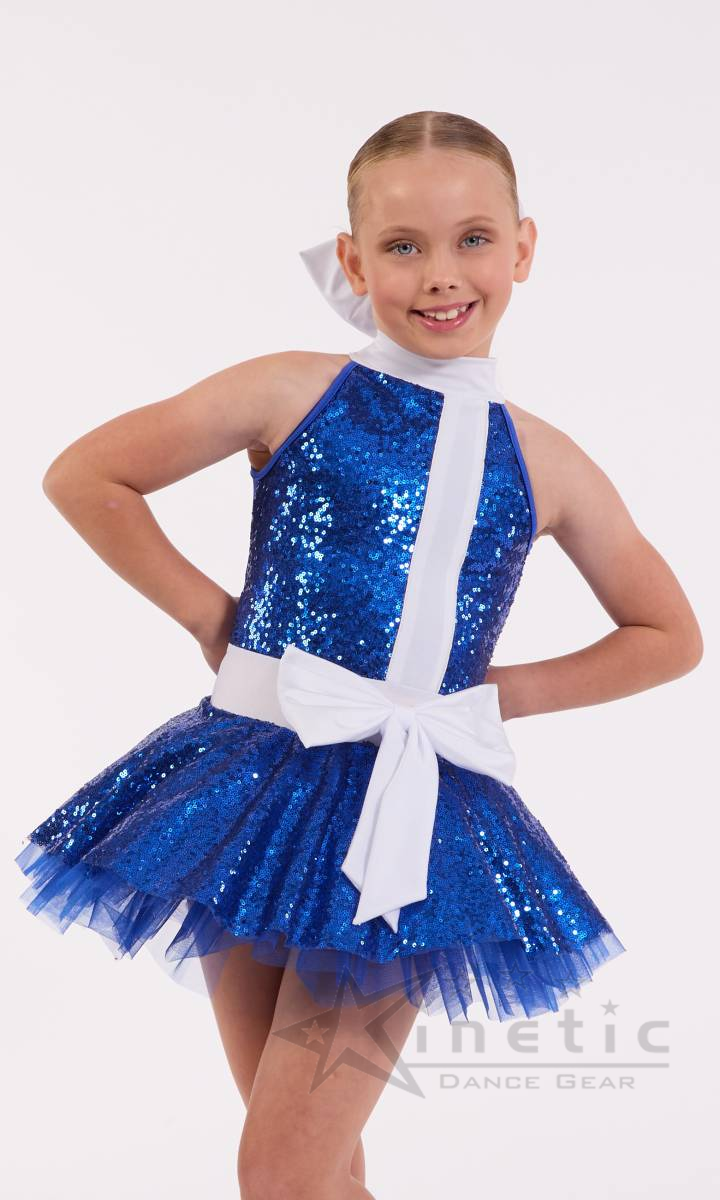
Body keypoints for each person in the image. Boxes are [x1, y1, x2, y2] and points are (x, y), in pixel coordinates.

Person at [14, 110, 703, 1199]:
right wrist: (208, 617)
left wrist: (495, 695)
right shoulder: (292, 390)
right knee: (319, 1171)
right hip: (253, 786)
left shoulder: (548, 460)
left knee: (280, 1172)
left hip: (409, 821)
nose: (442, 274)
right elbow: (87, 475)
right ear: (352, 259)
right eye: (403, 245)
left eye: (474, 239)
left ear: (523, 248)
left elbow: (668, 635)